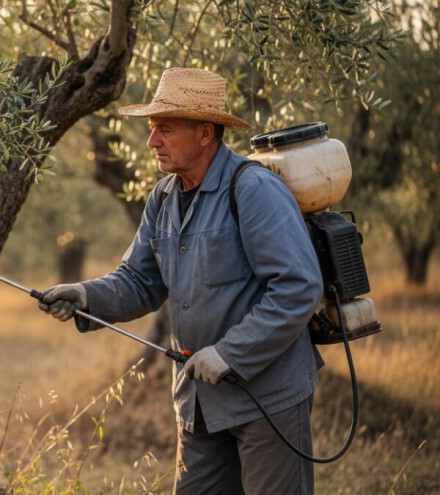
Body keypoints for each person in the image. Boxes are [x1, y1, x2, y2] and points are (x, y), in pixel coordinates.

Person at [38, 68, 324, 494]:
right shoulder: (164, 197)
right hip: (199, 403)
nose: (152, 142)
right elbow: (139, 280)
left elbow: (299, 288)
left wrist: (230, 354)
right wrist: (85, 295)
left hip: (269, 400)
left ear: (205, 133)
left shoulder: (253, 189)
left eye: (164, 130)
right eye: (153, 130)